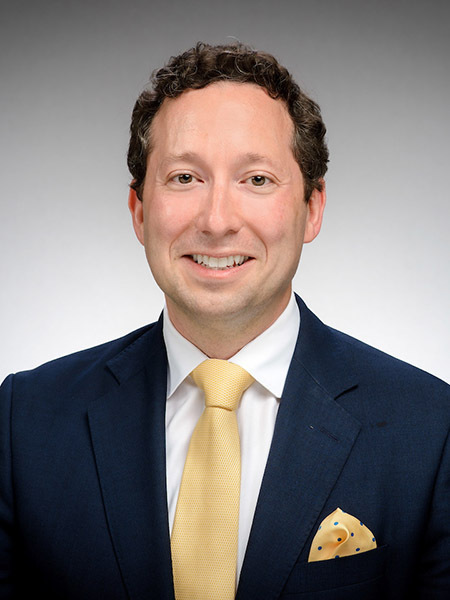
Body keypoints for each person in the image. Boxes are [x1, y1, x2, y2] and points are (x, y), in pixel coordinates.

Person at [0, 42, 449, 600]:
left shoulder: (430, 431)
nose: (216, 221)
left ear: (312, 208)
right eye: (185, 178)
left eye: (256, 179)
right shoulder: (27, 421)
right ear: (140, 211)